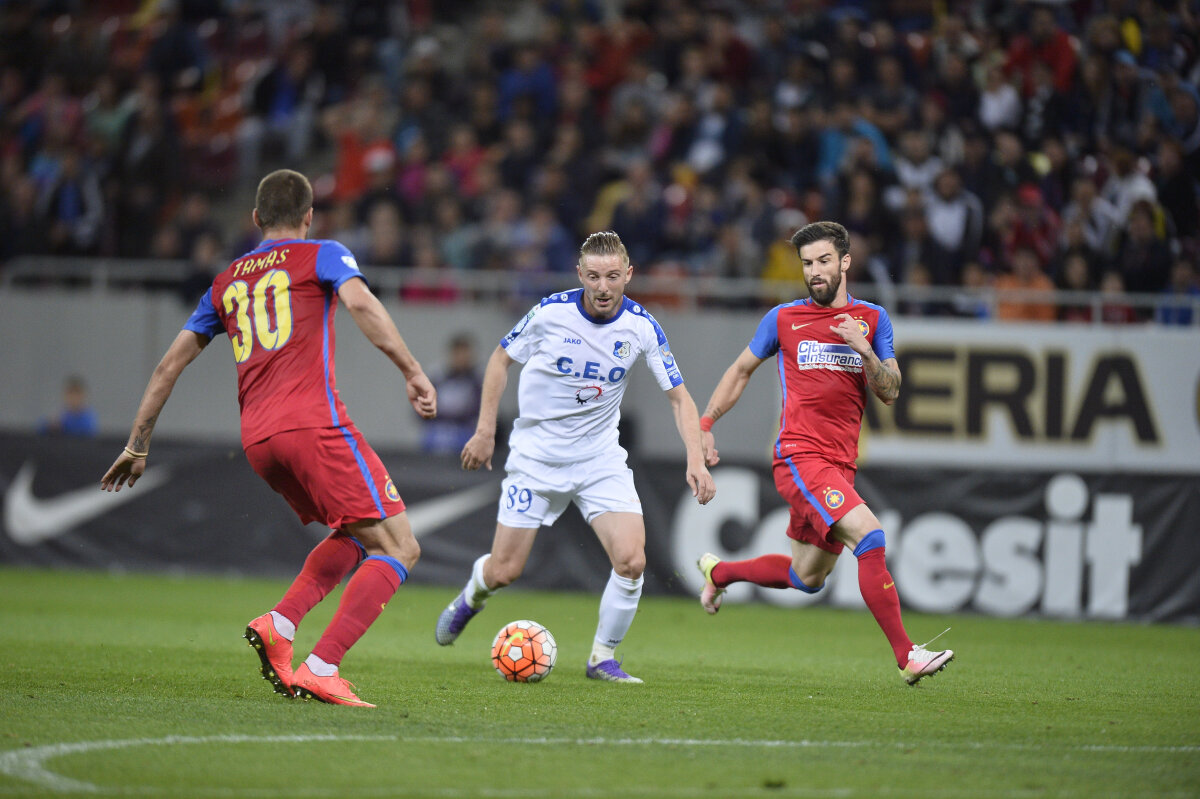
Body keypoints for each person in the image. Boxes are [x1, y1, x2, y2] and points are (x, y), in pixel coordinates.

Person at [100, 169, 437, 708]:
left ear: (255, 218)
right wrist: (412, 369)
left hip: (259, 441)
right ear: (309, 217)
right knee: (401, 546)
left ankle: (281, 623)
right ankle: (323, 667)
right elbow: (363, 305)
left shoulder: (225, 281)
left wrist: (137, 444)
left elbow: (168, 366)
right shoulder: (322, 253)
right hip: (314, 425)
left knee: (355, 534)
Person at [434, 231, 716, 683]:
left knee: (632, 560)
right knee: (506, 570)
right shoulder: (550, 314)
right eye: (593, 277)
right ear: (579, 275)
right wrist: (486, 430)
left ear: (628, 275)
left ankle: (602, 658)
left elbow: (680, 398)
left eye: (612, 277)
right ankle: (473, 594)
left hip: (599, 461)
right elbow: (498, 361)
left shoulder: (641, 326)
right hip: (535, 459)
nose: (603, 287)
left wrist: (696, 459)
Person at [694, 221, 954, 685]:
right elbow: (740, 371)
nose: (814, 272)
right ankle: (907, 656)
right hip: (798, 457)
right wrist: (706, 425)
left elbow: (891, 390)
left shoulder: (873, 320)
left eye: (823, 262)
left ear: (845, 262)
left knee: (806, 578)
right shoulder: (782, 319)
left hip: (839, 465)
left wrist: (864, 351)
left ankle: (720, 573)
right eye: (807, 264)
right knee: (870, 536)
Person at [420, 332, 484, 454]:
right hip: (437, 429)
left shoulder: (477, 381)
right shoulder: (438, 378)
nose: (461, 358)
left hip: (465, 431)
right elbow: (422, 408)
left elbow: (478, 410)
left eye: (465, 354)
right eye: (458, 353)